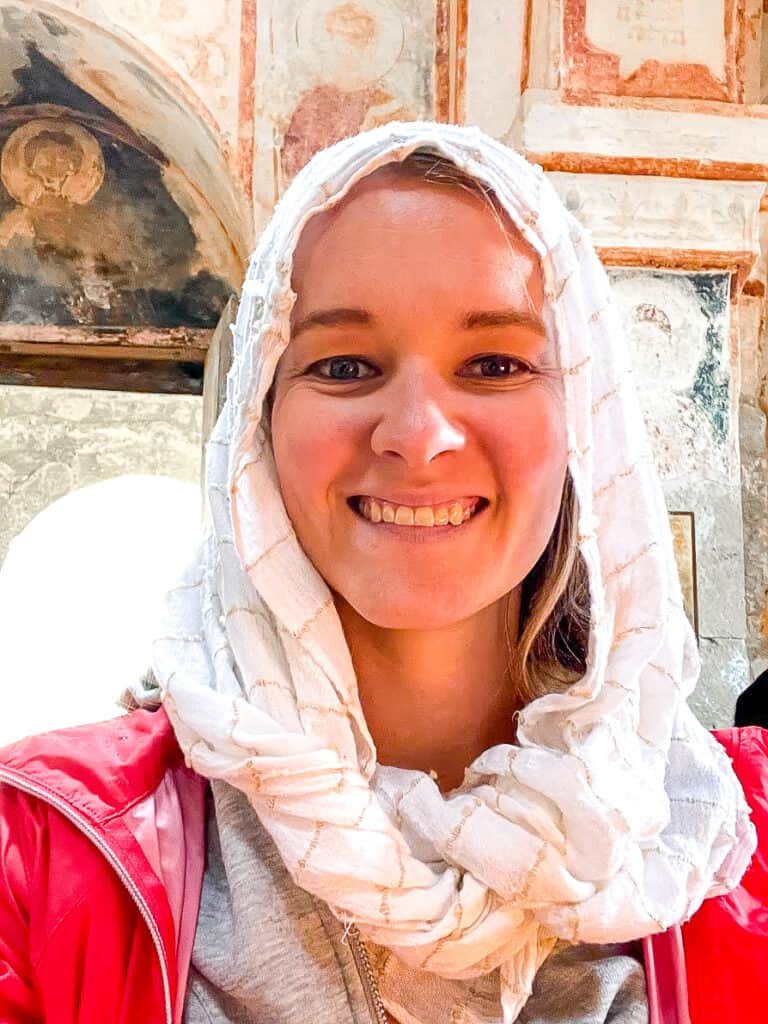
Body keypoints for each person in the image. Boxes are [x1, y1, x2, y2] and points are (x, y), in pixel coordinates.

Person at [0, 121, 756, 1024]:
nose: (418, 434)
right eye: (345, 365)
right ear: (258, 429)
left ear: (586, 424)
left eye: (494, 363)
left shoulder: (724, 838)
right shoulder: (45, 853)